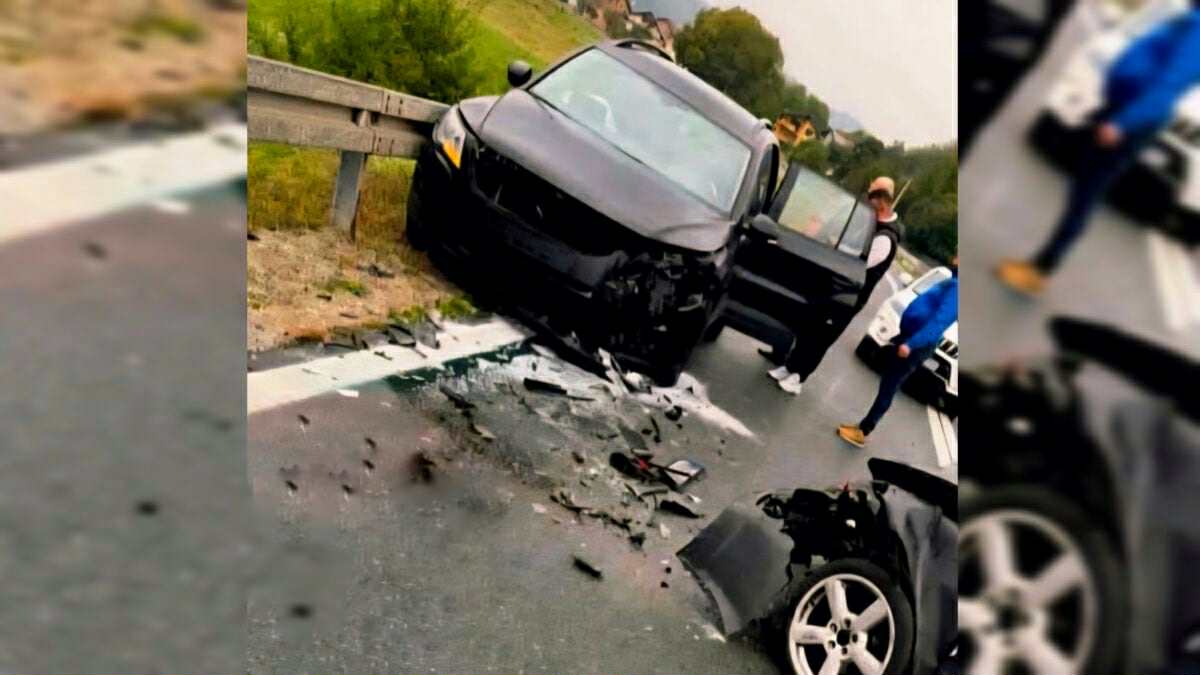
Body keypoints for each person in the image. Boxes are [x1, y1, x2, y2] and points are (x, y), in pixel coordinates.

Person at [996, 4, 1200, 295]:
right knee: (1084, 186)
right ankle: (1040, 266)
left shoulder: (1197, 31)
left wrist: (1122, 123)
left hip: (1132, 118)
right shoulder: (1189, 19)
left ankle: (1041, 270)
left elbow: (1167, 84)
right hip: (1122, 108)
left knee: (1087, 192)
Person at [770, 176, 904, 394]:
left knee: (822, 337)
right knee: (810, 328)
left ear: (882, 202)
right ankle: (790, 366)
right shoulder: (871, 222)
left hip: (849, 296)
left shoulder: (886, 237)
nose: (868, 201)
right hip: (833, 286)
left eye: (872, 195)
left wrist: (837, 246)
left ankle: (799, 377)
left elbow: (860, 263)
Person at [837, 256, 958, 448]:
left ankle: (863, 431)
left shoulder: (957, 288)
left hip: (916, 343)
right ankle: (863, 427)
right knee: (888, 382)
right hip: (909, 337)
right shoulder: (952, 282)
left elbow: (939, 322)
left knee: (890, 385)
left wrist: (911, 344)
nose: (955, 257)